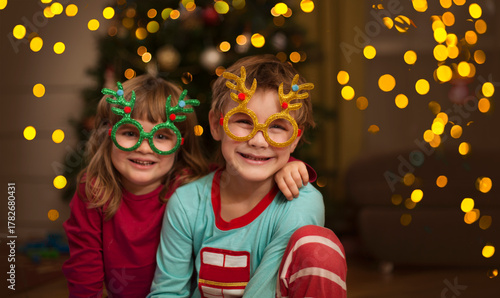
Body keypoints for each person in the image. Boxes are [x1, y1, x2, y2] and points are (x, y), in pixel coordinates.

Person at [62, 74, 314, 297]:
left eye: (161, 136)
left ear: (180, 142)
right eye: (129, 132)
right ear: (109, 133)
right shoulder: (93, 191)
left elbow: (245, 169)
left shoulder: (190, 185)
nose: (144, 146)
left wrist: (288, 164)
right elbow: (85, 267)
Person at [149, 55, 347, 297]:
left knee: (317, 245)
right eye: (244, 121)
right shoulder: (187, 202)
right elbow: (168, 291)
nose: (258, 141)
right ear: (215, 124)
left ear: (295, 138)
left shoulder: (300, 203)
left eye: (277, 126)